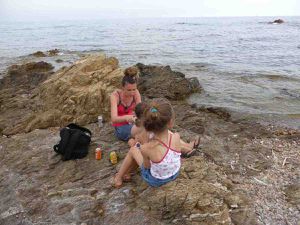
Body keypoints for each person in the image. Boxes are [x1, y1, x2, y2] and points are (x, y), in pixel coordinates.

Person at [113, 98, 197, 188]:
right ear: (170, 123)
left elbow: (146, 166)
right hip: (175, 173)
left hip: (155, 181)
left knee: (133, 150)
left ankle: (118, 178)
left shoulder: (146, 148)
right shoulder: (176, 136)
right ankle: (128, 173)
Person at [110, 66, 141, 141]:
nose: (132, 92)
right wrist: (127, 118)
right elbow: (114, 119)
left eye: (134, 89)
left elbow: (140, 110)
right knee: (140, 132)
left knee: (150, 128)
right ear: (123, 87)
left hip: (133, 122)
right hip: (120, 125)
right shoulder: (115, 96)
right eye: (129, 90)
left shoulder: (136, 93)